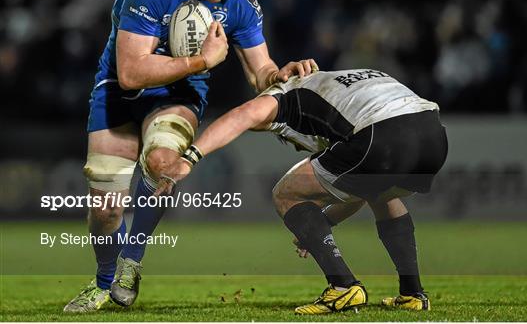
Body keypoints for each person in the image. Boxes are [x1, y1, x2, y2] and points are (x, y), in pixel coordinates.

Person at [63, 0, 317, 313]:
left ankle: (131, 261)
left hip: (178, 95)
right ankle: (103, 279)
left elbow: (260, 72)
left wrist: (280, 74)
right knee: (106, 209)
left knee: (164, 163)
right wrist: (202, 59)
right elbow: (130, 73)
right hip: (117, 93)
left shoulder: (239, 1)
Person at [156, 68, 448, 315]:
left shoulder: (285, 95)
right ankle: (413, 294)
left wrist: (189, 158)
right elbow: (358, 191)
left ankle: (343, 286)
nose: (305, 148)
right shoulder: (339, 81)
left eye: (298, 144)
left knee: (286, 193)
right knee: (382, 192)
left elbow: (241, 115)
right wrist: (317, 227)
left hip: (381, 134)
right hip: (433, 133)